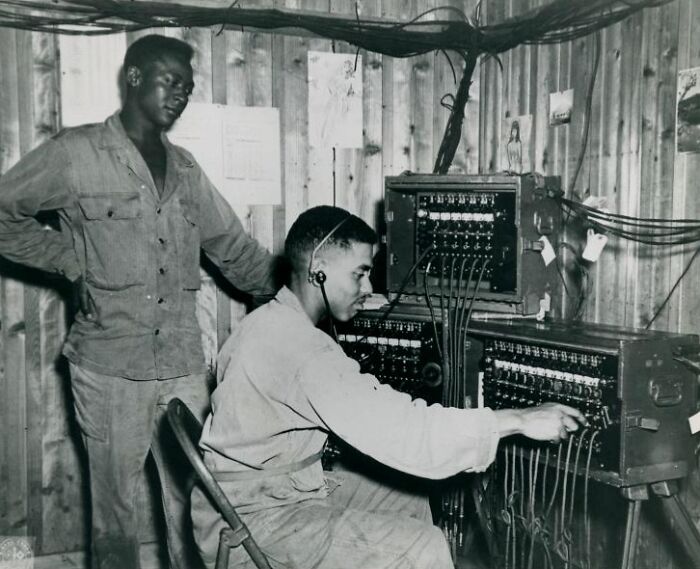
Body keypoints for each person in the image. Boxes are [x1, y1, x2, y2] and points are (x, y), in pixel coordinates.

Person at [0, 35, 278, 569]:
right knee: (115, 516)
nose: (179, 95)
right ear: (133, 77)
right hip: (108, 368)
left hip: (181, 367)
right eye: (168, 80)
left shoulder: (189, 171)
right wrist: (68, 259)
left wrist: (304, 288)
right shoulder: (74, 154)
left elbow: (237, 253)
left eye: (187, 88)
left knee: (196, 504)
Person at [191, 205, 586, 569]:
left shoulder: (268, 321)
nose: (367, 287)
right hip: (253, 522)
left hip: (253, 495)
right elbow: (408, 433)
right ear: (319, 269)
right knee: (423, 546)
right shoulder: (303, 351)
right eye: (359, 273)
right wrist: (517, 419)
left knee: (407, 497)